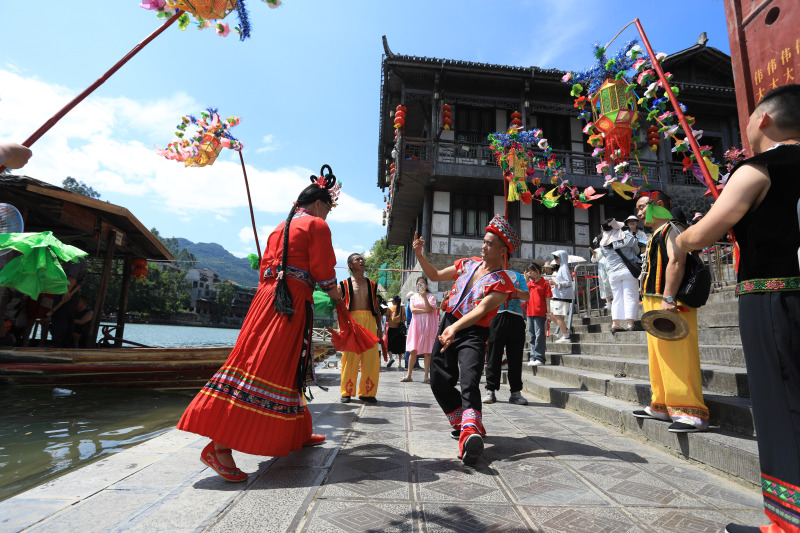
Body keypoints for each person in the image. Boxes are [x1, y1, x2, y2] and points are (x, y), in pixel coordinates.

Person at [675, 84, 800, 533]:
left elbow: (702, 234)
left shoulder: (759, 169)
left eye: (749, 118)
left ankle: (788, 523)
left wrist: (679, 240)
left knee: (780, 405)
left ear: (764, 119)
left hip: (774, 298)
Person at [177, 166, 343, 483]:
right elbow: (323, 271)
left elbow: (266, 270)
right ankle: (219, 447)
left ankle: (298, 430)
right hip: (290, 302)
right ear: (319, 204)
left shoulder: (280, 227)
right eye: (329, 209)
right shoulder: (316, 225)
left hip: (267, 300)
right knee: (266, 366)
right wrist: (337, 296)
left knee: (285, 365)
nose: (328, 215)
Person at [415, 214, 518, 465]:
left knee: (470, 380)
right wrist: (419, 255)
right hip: (448, 322)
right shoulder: (467, 264)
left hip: (472, 332)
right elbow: (436, 275)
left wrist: (455, 328)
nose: (484, 246)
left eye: (490, 243)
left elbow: (481, 310)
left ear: (502, 250)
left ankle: (470, 433)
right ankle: (462, 421)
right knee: (438, 378)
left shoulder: (502, 283)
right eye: (484, 241)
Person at [632, 191, 709, 434]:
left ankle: (690, 411)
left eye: (642, 207)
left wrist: (668, 297)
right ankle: (662, 404)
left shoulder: (673, 228)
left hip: (670, 300)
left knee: (678, 355)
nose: (639, 213)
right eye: (638, 208)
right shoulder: (658, 232)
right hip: (654, 300)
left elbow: (677, 261)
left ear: (658, 204)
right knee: (658, 356)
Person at [339, 253, 385, 403]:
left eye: (362, 259)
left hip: (369, 321)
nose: (361, 261)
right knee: (350, 358)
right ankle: (346, 392)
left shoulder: (372, 284)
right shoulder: (344, 284)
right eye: (357, 259)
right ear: (350, 265)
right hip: (352, 322)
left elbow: (376, 308)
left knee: (371, 359)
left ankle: (367, 393)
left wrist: (380, 329)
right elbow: (339, 307)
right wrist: (341, 327)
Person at [483, 269, 530, 405]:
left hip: (516, 318)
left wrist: (513, 290)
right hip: (496, 316)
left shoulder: (519, 276)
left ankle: (515, 392)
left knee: (515, 357)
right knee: (493, 355)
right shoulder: (491, 276)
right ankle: (490, 390)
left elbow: (527, 296)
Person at [599, 218, 641, 332]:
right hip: (628, 270)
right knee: (630, 296)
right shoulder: (627, 237)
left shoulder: (602, 243)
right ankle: (630, 324)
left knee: (617, 298)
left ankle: (615, 324)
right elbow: (637, 251)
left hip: (612, 273)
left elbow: (606, 257)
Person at [401, 277, 437, 383]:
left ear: (426, 285)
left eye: (423, 284)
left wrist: (425, 298)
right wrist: (425, 310)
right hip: (416, 326)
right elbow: (413, 310)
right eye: (419, 284)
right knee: (413, 350)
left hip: (428, 326)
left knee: (427, 352)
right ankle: (409, 375)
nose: (420, 286)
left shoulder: (431, 297)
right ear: (416, 285)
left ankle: (426, 376)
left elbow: (430, 308)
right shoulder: (413, 297)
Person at [525, 263, 552, 366]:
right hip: (529, 312)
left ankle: (539, 357)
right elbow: (524, 292)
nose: (531, 272)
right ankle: (533, 356)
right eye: (529, 271)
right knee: (532, 335)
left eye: (533, 270)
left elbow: (547, 299)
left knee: (539, 335)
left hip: (540, 313)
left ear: (538, 270)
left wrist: (548, 313)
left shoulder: (544, 283)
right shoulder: (529, 283)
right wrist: (526, 279)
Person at [548, 250, 573, 343]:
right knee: (551, 314)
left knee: (556, 315)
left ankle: (566, 336)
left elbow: (569, 282)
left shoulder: (564, 268)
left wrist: (556, 283)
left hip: (562, 296)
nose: (555, 260)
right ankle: (565, 330)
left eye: (556, 258)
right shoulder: (562, 267)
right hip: (559, 295)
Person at [590, 232, 613, 312]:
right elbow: (593, 260)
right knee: (604, 283)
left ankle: (615, 300)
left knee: (612, 282)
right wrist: (594, 254)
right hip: (602, 268)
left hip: (611, 266)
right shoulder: (597, 250)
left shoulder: (611, 248)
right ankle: (608, 302)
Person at [385, 295, 406, 368]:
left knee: (390, 345)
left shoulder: (390, 308)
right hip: (400, 329)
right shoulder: (403, 308)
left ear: (394, 301)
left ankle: (391, 358)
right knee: (400, 345)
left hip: (391, 328)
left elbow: (387, 318)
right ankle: (399, 363)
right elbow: (404, 318)